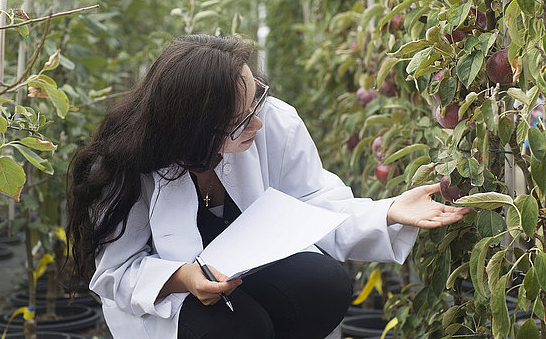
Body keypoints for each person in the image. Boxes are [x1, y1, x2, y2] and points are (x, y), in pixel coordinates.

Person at [65, 34, 473, 339]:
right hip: (169, 300)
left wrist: (388, 210)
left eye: (256, 99)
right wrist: (184, 277)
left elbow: (314, 202)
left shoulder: (270, 120)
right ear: (190, 133)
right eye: (239, 122)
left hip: (250, 271)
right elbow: (115, 274)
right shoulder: (124, 165)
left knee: (324, 285)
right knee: (239, 328)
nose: (257, 124)